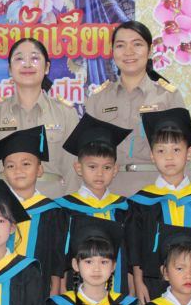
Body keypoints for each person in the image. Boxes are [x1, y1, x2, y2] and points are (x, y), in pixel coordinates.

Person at [83, 21, 186, 197]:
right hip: (109, 193)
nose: (128, 52)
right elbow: (86, 154)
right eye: (120, 45)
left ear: (150, 50)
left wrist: (182, 195)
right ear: (112, 51)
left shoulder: (167, 96)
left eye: (137, 44)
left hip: (157, 190)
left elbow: (182, 151)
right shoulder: (98, 99)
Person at [126, 108, 191, 305]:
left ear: (189, 153)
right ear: (152, 155)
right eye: (161, 151)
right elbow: (135, 248)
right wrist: (138, 282)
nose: (169, 157)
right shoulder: (141, 203)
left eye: (176, 150)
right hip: (153, 285)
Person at [0, 37, 79, 198]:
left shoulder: (66, 113)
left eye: (35, 58)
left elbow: (74, 171)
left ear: (47, 67)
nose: (27, 64)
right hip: (6, 204)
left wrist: (71, 209)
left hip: (53, 204)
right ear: (10, 69)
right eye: (19, 59)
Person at [44, 114, 133, 295]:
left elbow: (130, 254)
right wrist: (61, 290)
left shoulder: (124, 208)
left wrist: (132, 290)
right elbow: (59, 255)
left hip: (118, 294)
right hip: (75, 295)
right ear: (78, 168)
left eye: (106, 167)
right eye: (92, 167)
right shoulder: (64, 209)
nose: (99, 174)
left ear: (115, 170)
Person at [0, 126, 55, 292]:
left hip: (39, 292)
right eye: (10, 166)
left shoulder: (53, 212)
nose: (18, 170)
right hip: (0, 292)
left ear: (39, 170)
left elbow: (57, 263)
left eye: (26, 164)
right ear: (4, 172)